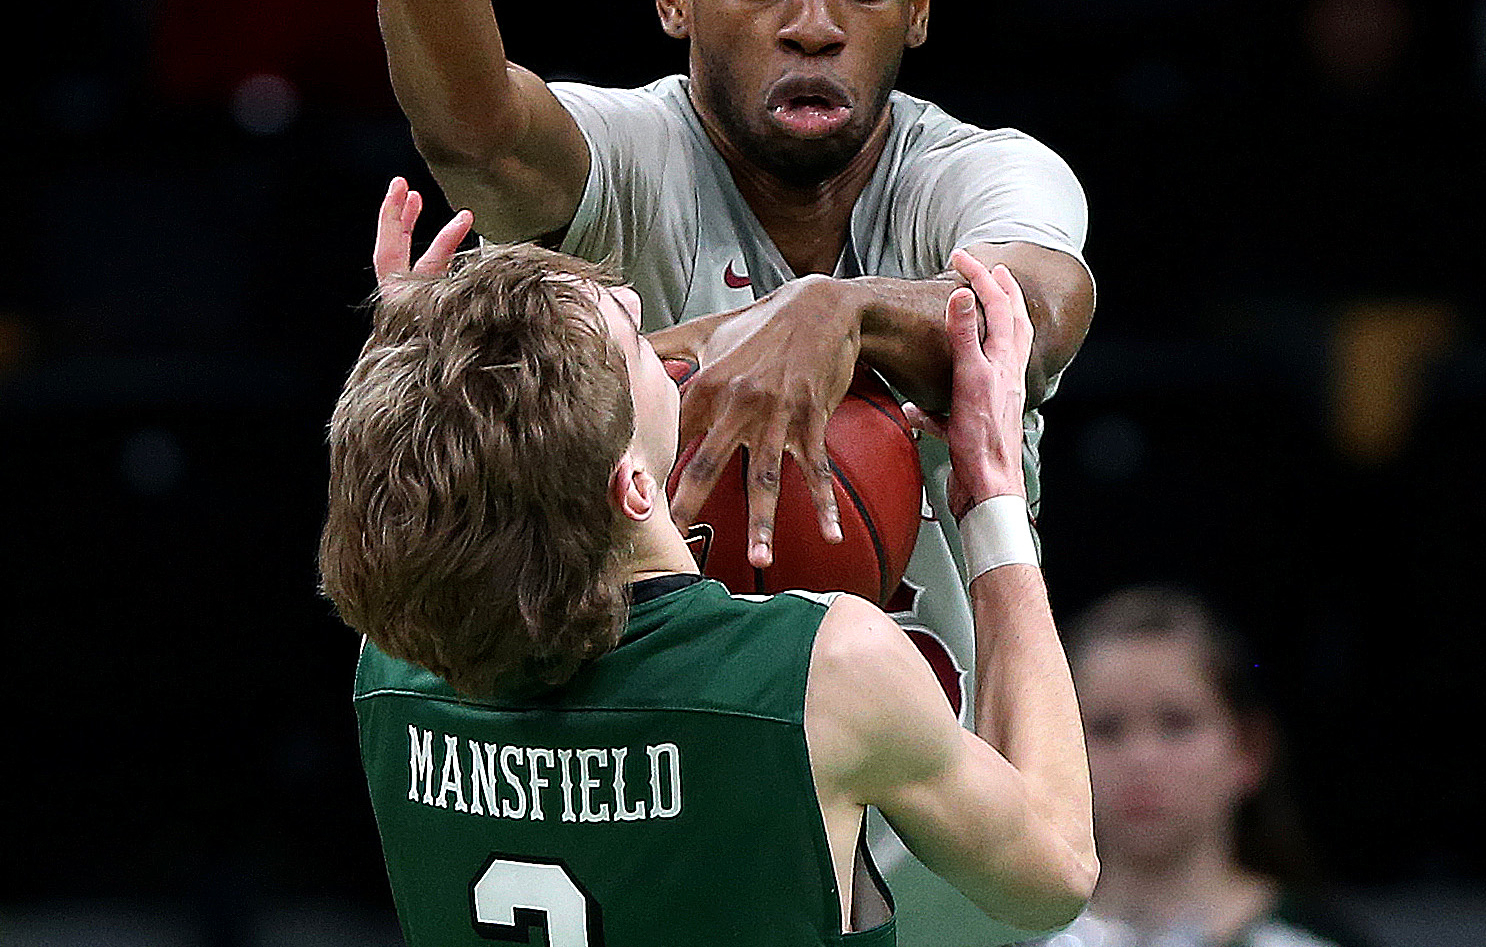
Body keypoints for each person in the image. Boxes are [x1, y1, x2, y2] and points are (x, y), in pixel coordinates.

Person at [254, 0, 1095, 943]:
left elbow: (1030, 308)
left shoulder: (983, 172)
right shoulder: (631, 155)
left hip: (897, 862)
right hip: (762, 828)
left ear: (915, 2)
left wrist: (834, 308)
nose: (811, 21)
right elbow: (479, 138)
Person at [321, 184, 1096, 944]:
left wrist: (416, 384)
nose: (637, 308)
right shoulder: (824, 669)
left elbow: (418, 517)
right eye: (628, 343)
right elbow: (1051, 879)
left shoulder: (394, 659)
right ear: (630, 485)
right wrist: (992, 501)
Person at [1029, 587, 1378, 947]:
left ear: (1249, 750)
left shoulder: (1313, 939)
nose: (1140, 758)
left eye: (1176, 723)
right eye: (1106, 728)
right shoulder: (1006, 934)